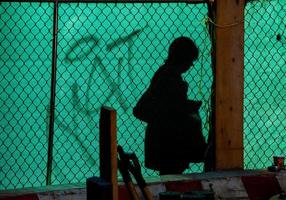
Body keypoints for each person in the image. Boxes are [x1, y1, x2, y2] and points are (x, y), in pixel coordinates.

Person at [133, 36, 207, 175]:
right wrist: (189, 107)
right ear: (183, 59)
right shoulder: (171, 78)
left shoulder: (164, 73)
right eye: (190, 61)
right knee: (172, 175)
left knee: (169, 176)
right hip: (169, 143)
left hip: (163, 141)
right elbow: (173, 109)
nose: (190, 65)